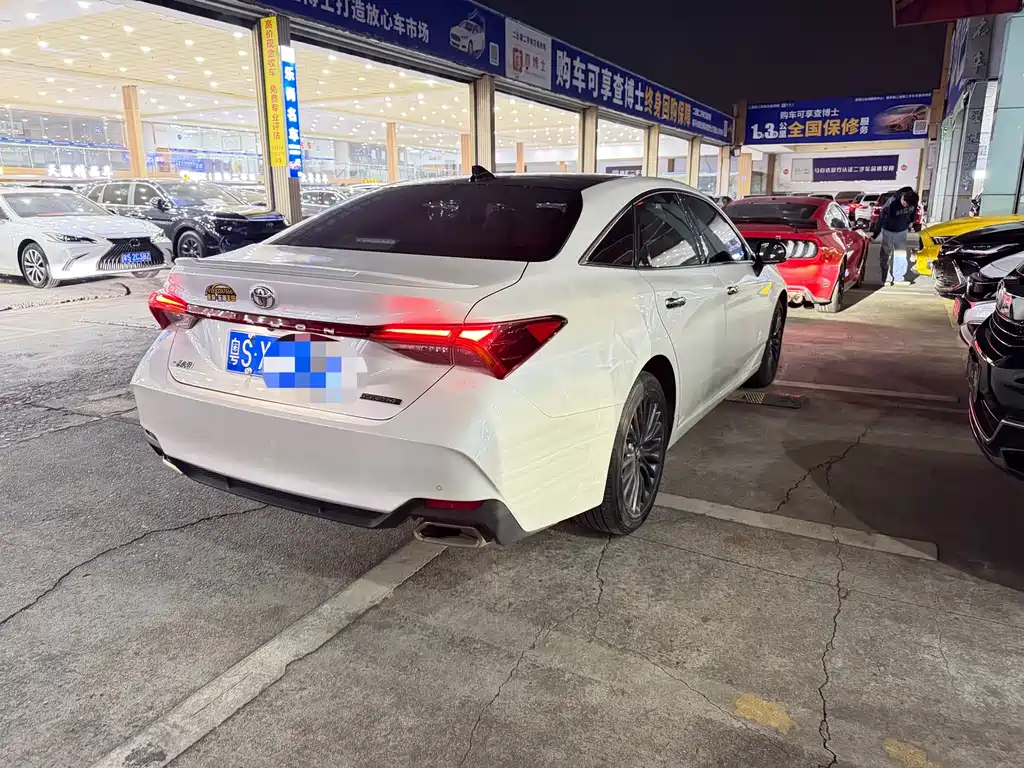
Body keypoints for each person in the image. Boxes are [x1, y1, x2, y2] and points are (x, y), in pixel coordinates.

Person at [872, 186, 919, 286]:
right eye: (904, 203)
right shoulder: (891, 202)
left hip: (902, 231)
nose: (905, 206)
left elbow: (913, 214)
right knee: (885, 255)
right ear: (902, 197)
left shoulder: (913, 201)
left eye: (908, 205)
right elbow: (881, 219)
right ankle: (886, 278)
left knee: (901, 255)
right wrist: (875, 234)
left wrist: (911, 222)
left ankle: (899, 278)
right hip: (888, 231)